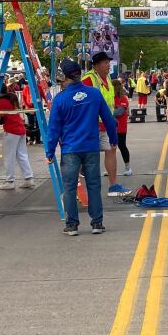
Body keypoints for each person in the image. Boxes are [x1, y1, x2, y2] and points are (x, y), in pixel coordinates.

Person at [45, 59, 117, 236]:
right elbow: (108, 119)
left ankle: (72, 225)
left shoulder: (60, 99)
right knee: (94, 185)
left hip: (70, 149)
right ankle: (97, 223)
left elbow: (53, 128)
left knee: (69, 187)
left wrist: (50, 150)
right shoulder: (94, 94)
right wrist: (113, 139)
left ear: (64, 77)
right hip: (91, 146)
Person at [82, 52, 130, 196]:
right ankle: (82, 188)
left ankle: (113, 185)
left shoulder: (108, 78)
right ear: (96, 65)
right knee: (88, 156)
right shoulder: (88, 80)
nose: (109, 65)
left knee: (111, 150)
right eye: (105, 63)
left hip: (107, 124)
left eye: (109, 62)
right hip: (92, 125)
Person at [0, 84, 35, 190]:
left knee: (8, 156)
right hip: (20, 129)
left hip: (11, 131)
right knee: (22, 155)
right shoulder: (11, 99)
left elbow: (0, 120)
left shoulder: (2, 102)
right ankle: (29, 178)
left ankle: (10, 180)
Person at [112, 78, 133, 176]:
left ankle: (128, 168)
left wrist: (109, 111)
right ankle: (111, 169)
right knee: (110, 149)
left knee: (122, 146)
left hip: (120, 127)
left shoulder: (123, 98)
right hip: (111, 127)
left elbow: (118, 112)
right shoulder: (111, 97)